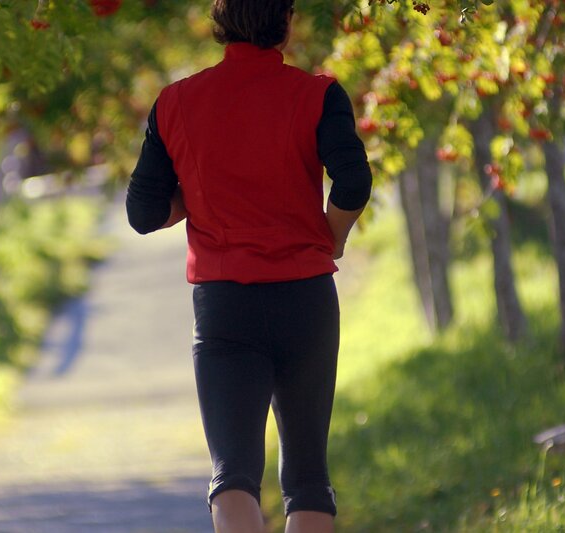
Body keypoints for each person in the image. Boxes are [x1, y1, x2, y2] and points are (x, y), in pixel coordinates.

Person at [125, 1, 372, 531]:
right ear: (285, 24)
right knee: (308, 476)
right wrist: (332, 237)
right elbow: (353, 182)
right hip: (305, 299)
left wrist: (197, 192)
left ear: (220, 26)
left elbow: (143, 213)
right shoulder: (318, 95)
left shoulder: (176, 102)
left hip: (224, 307)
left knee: (232, 472)